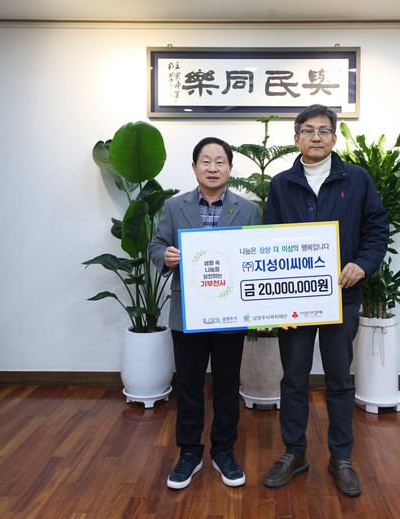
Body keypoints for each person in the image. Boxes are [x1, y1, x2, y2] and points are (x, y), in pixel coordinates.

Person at [261, 104, 388, 497]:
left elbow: (377, 228)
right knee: (293, 379)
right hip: (295, 301)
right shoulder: (281, 184)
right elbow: (268, 240)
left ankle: (341, 458)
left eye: (323, 130)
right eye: (308, 130)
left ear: (334, 138)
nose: (315, 137)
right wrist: (276, 305)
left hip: (342, 297)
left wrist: (362, 264)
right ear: (296, 138)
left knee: (339, 380)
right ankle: (294, 453)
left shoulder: (358, 179)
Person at [149, 137, 261, 490]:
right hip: (187, 312)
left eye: (220, 161)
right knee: (189, 386)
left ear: (230, 167)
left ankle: (223, 451)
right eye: (206, 161)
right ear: (195, 166)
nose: (213, 168)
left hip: (230, 313)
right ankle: (189, 452)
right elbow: (156, 243)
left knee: (227, 386)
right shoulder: (174, 206)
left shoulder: (248, 210)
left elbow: (256, 257)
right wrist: (165, 256)